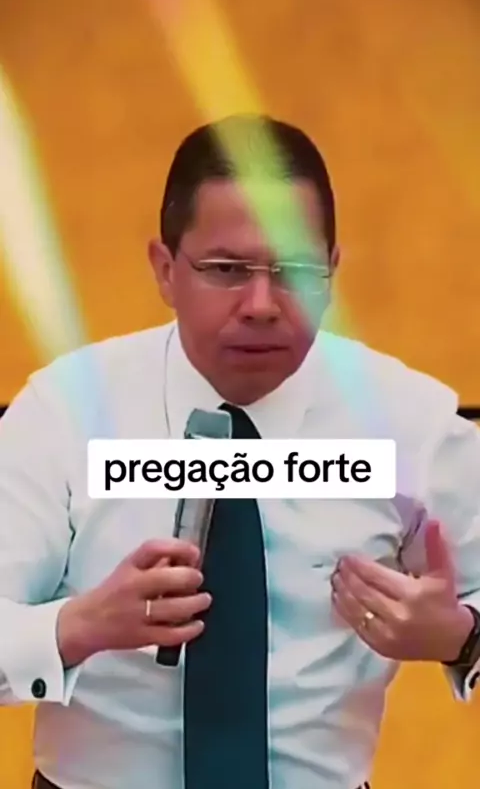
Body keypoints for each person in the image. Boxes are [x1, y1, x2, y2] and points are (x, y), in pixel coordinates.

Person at [1, 114, 480, 789]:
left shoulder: (409, 421)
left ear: (332, 273)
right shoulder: (65, 413)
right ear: (165, 270)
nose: (261, 304)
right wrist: (79, 625)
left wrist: (460, 636)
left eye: (296, 270)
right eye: (227, 270)